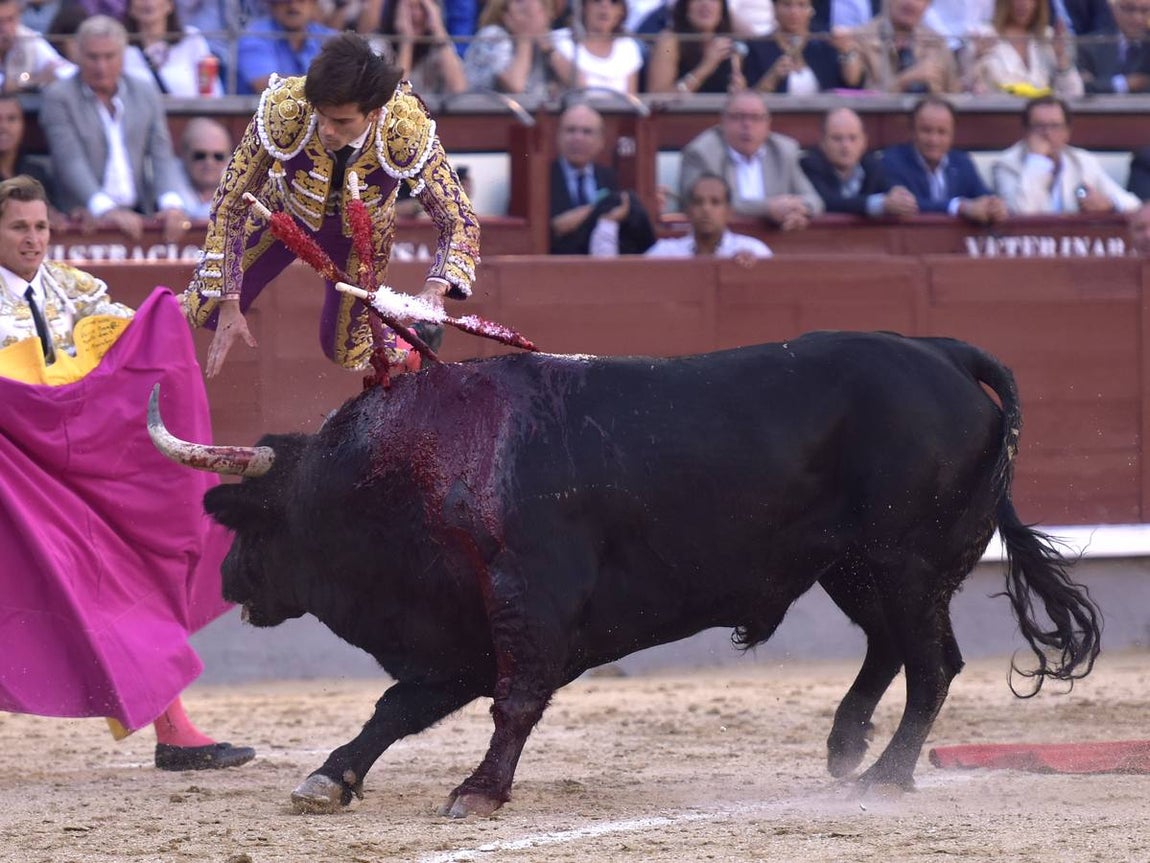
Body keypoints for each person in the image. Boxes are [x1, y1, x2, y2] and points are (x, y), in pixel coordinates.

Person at [0, 174, 255, 771]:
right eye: (18, 227)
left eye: (40, 226)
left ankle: (174, 728)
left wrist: (203, 303)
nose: (33, 239)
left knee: (117, 579)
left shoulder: (76, 290)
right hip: (11, 478)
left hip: (73, 480)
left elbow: (138, 346)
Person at [183, 32, 480, 376]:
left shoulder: (404, 127)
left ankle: (410, 343)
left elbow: (458, 218)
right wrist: (230, 304)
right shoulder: (286, 107)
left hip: (359, 238)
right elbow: (231, 200)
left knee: (347, 350)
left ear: (374, 113)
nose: (326, 130)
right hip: (283, 211)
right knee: (204, 306)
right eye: (321, 115)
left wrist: (435, 289)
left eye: (341, 121)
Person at [39, 16, 193, 244]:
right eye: (93, 57)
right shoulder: (59, 97)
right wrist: (106, 210)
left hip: (140, 213)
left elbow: (161, 153)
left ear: (123, 56)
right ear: (78, 55)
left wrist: (171, 205)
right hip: (81, 221)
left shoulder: (144, 91)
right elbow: (69, 160)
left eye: (109, 56)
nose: (101, 66)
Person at [678, 90, 823, 230]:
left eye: (755, 118)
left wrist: (800, 210)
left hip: (778, 241)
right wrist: (768, 208)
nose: (747, 125)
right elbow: (701, 203)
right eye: (738, 117)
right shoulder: (702, 153)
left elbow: (814, 200)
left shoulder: (783, 151)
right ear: (723, 121)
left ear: (767, 123)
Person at [991, 95, 1142, 214]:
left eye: (1055, 126)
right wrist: (1037, 161)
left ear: (1067, 132)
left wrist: (1109, 203)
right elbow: (1020, 213)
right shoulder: (1006, 165)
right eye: (1039, 126)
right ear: (1025, 131)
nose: (1047, 133)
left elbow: (1134, 204)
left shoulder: (1082, 161)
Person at [549, 101, 655, 255]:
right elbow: (553, 228)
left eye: (587, 132)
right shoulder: (542, 178)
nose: (578, 138)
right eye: (570, 131)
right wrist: (601, 208)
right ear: (558, 137)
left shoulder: (610, 177)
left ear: (601, 142)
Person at [881, 96, 1007, 225]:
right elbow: (908, 204)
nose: (934, 140)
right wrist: (959, 207)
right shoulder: (892, 162)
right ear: (912, 131)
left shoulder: (962, 162)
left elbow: (982, 194)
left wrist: (993, 206)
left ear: (952, 135)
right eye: (926, 130)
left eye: (942, 132)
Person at [800, 106, 918, 218]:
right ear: (822, 142)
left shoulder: (872, 165)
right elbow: (827, 201)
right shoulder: (810, 164)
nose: (845, 146)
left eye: (853, 138)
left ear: (864, 142)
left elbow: (888, 186)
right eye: (837, 138)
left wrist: (898, 193)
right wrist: (880, 204)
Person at [644, 173, 772, 265]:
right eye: (698, 202)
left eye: (715, 202)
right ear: (688, 211)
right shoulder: (664, 253)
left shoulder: (754, 250)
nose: (706, 209)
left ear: (729, 212)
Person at [967, 0, 1083, 98]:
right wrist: (976, 58)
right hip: (999, 116)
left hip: (1040, 116)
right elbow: (966, 90)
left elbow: (1074, 93)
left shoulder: (1048, 37)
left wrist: (1061, 57)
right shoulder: (984, 35)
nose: (1023, 4)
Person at [745, 0, 862, 93]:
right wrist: (773, 77)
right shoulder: (758, 47)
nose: (794, 12)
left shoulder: (825, 41)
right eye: (787, 4)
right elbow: (750, 98)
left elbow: (853, 82)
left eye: (801, 5)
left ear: (811, 10)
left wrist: (847, 51)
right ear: (775, 9)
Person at [358, 0, 468, 95]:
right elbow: (398, 96)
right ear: (394, 10)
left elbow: (459, 89)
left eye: (422, 7)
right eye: (410, 7)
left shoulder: (437, 48)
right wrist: (406, 42)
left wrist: (439, 30)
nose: (416, 15)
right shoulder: (378, 45)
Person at [851, 0, 960, 93]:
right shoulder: (862, 39)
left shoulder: (937, 42)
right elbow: (860, 98)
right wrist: (903, 81)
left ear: (927, 6)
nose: (911, 3)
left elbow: (955, 96)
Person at [123, 0, 225, 97]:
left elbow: (213, 91)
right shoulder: (122, 47)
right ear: (130, 7)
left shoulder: (191, 39)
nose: (148, 2)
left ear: (169, 4)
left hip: (188, 113)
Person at [463, 0, 562, 98]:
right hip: (484, 110)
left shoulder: (552, 38)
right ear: (505, 13)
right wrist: (524, 40)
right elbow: (515, 87)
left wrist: (550, 52)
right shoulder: (492, 35)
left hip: (534, 111)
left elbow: (576, 83)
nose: (531, 4)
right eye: (526, 12)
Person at [235, 0, 338, 94]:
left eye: (301, 0)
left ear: (313, 4)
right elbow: (266, 85)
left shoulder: (330, 38)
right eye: (285, 1)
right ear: (271, 4)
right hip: (261, 113)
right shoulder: (254, 35)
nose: (293, 6)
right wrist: (327, 83)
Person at [645, 0, 745, 94]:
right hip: (680, 112)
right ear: (685, 7)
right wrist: (706, 66)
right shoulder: (669, 41)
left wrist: (740, 90)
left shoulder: (729, 44)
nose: (705, 4)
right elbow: (657, 98)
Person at [549, 0, 644, 96]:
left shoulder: (628, 48)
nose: (605, 6)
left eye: (614, 2)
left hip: (618, 111)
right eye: (597, 0)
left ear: (621, 12)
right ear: (583, 7)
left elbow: (631, 102)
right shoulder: (559, 40)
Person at [0, 0, 75, 93]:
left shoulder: (29, 38)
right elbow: (4, 85)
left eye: (10, 19)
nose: (4, 28)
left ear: (19, 17)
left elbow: (66, 71)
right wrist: (35, 79)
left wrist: (23, 81)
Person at [1077, 0, 1150, 94]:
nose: (1137, 18)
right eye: (1129, 9)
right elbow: (1083, 87)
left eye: (1145, 10)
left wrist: (1102, 84)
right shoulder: (1089, 46)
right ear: (1113, 9)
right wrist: (1125, 84)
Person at [177, 117, 232, 219]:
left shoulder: (241, 194)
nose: (209, 163)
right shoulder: (167, 193)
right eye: (200, 155)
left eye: (218, 156)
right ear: (184, 155)